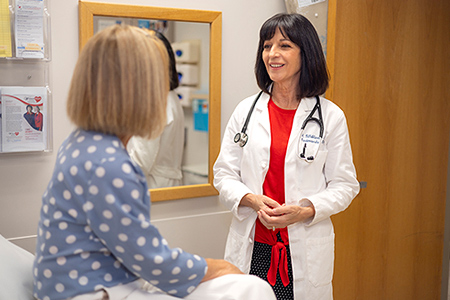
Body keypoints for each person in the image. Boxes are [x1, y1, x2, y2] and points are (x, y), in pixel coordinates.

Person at [32, 25, 276, 300]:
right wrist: (221, 267)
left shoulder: (79, 143)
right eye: (157, 82)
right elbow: (153, 261)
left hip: (73, 285)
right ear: (137, 92)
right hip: (92, 291)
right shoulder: (111, 165)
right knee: (252, 287)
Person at [213, 13, 360, 300]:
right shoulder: (246, 111)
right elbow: (223, 174)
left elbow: (345, 184)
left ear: (306, 54)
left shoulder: (330, 117)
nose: (272, 54)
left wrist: (306, 210)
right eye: (267, 46)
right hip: (253, 245)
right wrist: (251, 200)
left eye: (284, 46)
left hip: (302, 249)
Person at [127, 30, 185, 189]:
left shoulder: (155, 101)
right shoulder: (170, 96)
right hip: (166, 184)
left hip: (152, 186)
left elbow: (139, 162)